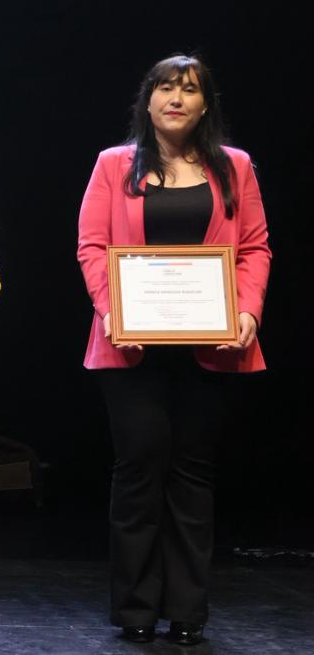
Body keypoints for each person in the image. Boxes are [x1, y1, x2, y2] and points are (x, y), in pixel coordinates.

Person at [77, 54, 270, 646]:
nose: (177, 98)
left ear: (205, 104)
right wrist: (113, 313)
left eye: (189, 89)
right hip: (131, 346)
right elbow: (92, 245)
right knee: (139, 467)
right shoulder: (114, 165)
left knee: (193, 474)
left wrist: (246, 311)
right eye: (166, 87)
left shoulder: (235, 167)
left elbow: (256, 248)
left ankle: (188, 610)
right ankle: (135, 609)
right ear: (149, 99)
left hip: (208, 346)